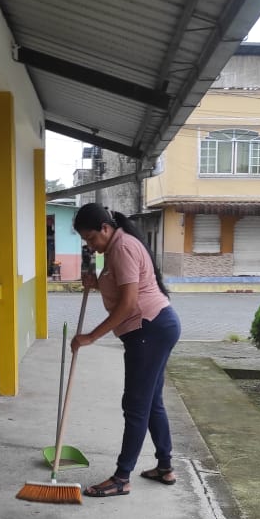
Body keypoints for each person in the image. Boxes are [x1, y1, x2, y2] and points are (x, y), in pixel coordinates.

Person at [70, 204, 181, 497]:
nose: (90, 245)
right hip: (157, 326)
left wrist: (91, 337)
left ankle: (121, 478)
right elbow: (124, 287)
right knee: (151, 401)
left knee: (135, 406)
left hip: (148, 329)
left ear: (105, 228)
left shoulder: (121, 248)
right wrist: (97, 283)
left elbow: (129, 303)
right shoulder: (116, 247)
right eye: (85, 241)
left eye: (91, 238)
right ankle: (165, 467)